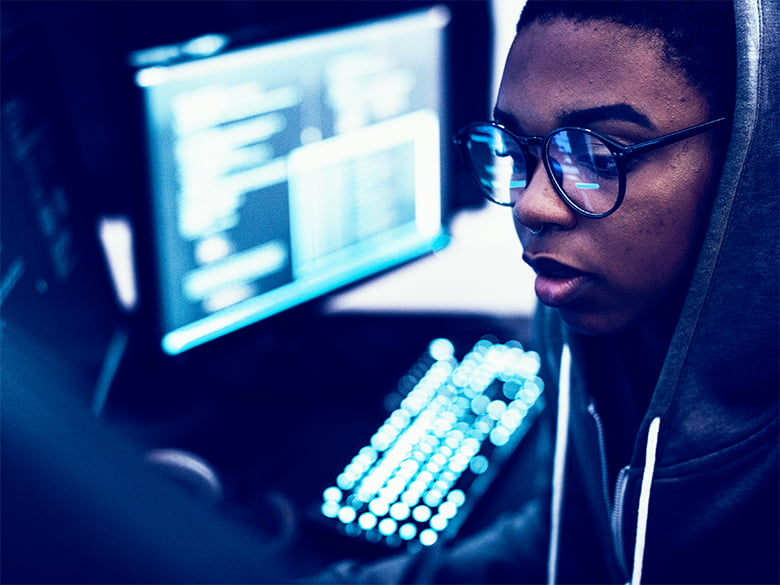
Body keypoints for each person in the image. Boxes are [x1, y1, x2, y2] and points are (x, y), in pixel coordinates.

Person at [313, 0, 779, 582]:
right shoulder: (576, 308)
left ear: (751, 155)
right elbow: (570, 542)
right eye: (518, 148)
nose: (531, 206)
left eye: (597, 155)